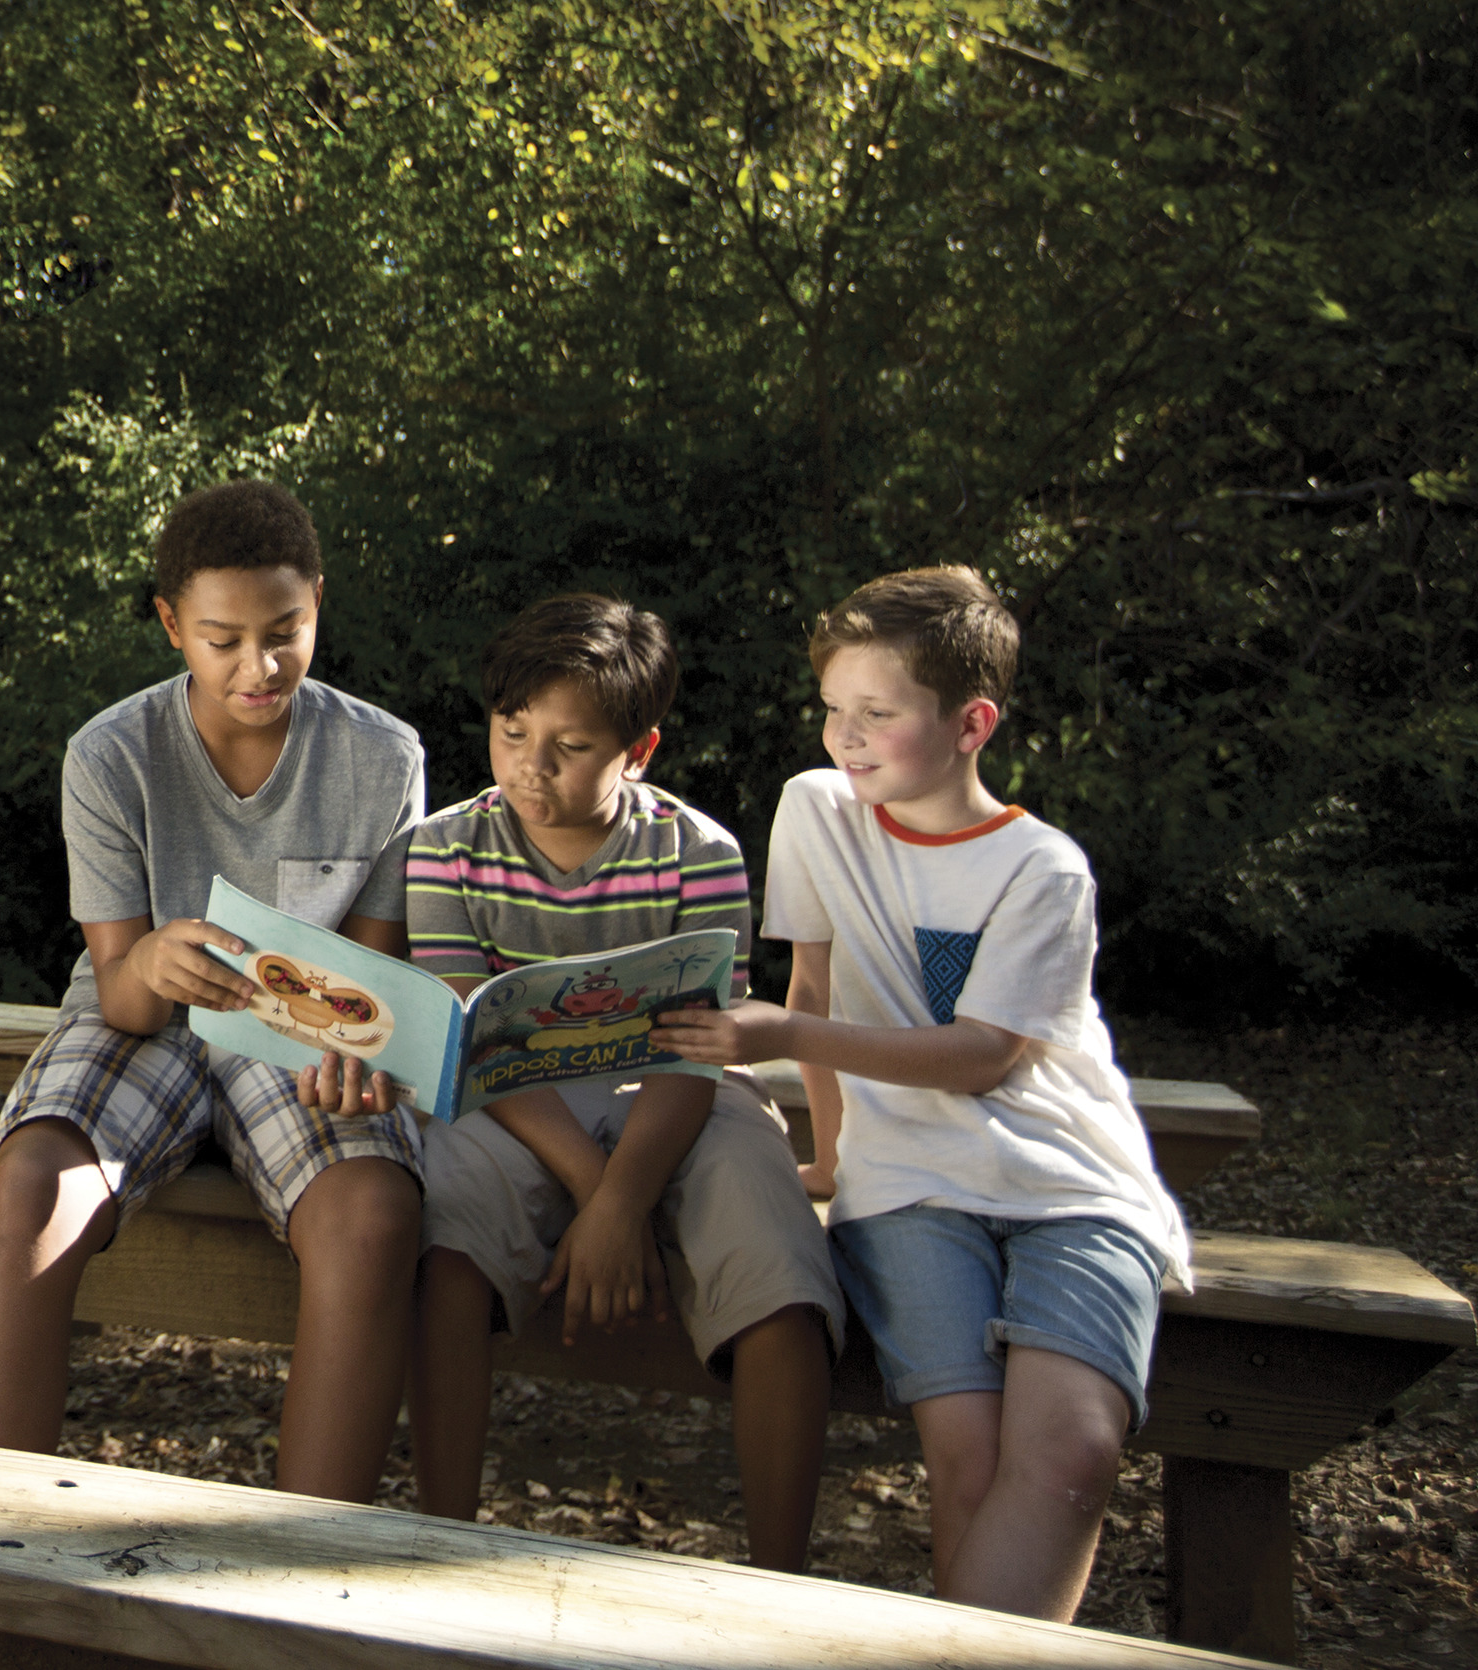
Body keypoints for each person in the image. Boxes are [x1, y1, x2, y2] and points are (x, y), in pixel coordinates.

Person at [656, 565, 1188, 1623]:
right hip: (906, 1185)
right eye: (833, 712)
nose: (845, 738)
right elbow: (812, 981)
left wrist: (784, 1034)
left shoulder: (1045, 871)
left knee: (1075, 1450)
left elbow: (983, 1053)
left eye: (878, 715)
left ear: (970, 723)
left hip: (1069, 1183)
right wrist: (832, 1154)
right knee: (966, 1455)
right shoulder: (818, 810)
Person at [0, 478, 424, 1500]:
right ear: (172, 625)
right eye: (222, 639)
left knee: (376, 1214)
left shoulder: (385, 755)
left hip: (294, 1036)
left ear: (318, 605)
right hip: (145, 1022)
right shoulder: (111, 754)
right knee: (35, 1182)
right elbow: (121, 997)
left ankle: (302, 1579)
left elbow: (375, 982)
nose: (258, 667)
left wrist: (356, 1051)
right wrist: (153, 964)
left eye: (284, 632)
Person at [401, 593, 841, 1567]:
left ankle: (784, 1575)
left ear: (637, 750)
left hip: (680, 1091)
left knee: (776, 1263)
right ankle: (434, 1543)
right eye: (512, 733)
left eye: (569, 746)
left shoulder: (699, 851)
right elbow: (471, 1035)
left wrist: (626, 1194)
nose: (530, 765)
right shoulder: (447, 847)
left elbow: (697, 1047)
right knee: (449, 1238)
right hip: (513, 1097)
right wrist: (601, 1198)